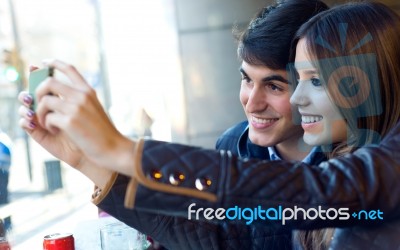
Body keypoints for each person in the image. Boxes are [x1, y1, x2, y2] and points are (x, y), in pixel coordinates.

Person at [17, 1, 400, 249]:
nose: (252, 101)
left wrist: (121, 149)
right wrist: (86, 161)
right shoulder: (235, 144)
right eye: (246, 79)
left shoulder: (366, 166)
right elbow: (209, 231)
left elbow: (316, 191)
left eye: (278, 84)